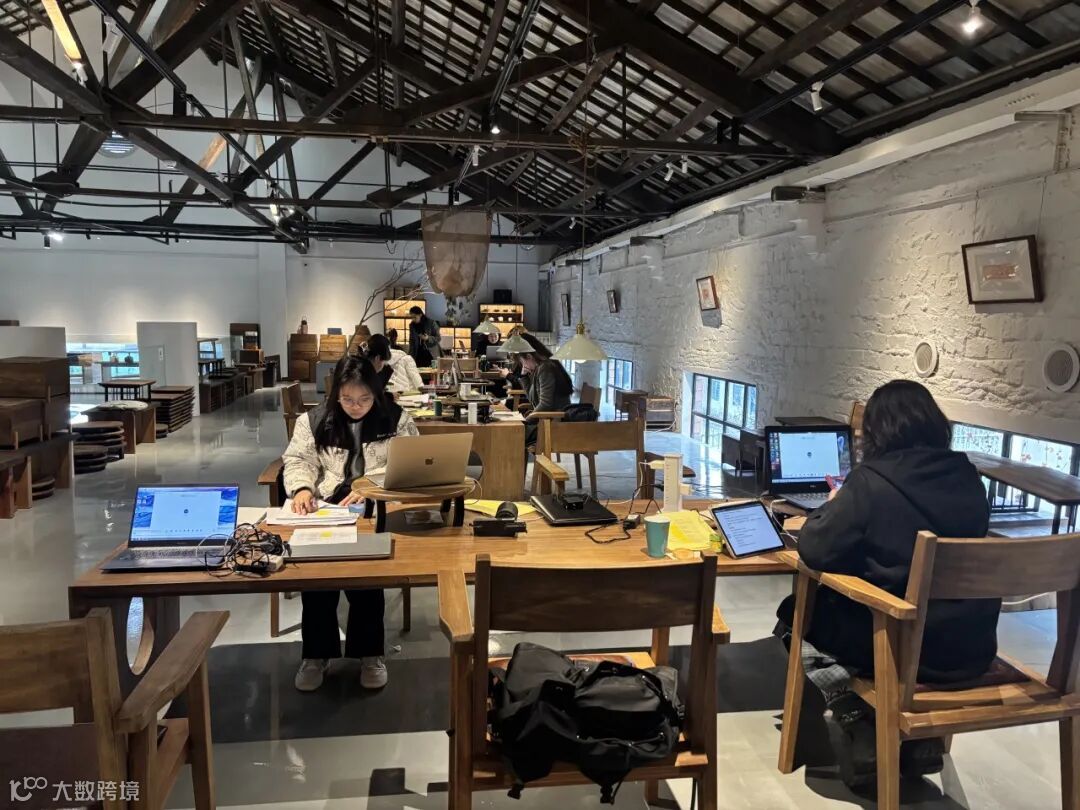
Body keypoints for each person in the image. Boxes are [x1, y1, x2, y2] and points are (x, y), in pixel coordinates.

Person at [775, 379, 996, 790]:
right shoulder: (970, 479)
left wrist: (831, 508)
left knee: (796, 616)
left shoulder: (871, 481)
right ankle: (918, 740)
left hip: (902, 651)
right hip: (969, 647)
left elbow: (817, 549)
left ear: (877, 433)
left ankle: (857, 719)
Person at [282, 355, 419, 692]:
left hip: (374, 508)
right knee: (317, 582)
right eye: (347, 399)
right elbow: (298, 459)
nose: (356, 407)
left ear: (376, 394)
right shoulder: (314, 420)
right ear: (336, 395)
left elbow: (410, 464)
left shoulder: (396, 419)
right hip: (326, 507)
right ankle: (316, 655)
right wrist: (301, 488)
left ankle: (370, 654)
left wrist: (372, 486)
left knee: (367, 581)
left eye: (364, 399)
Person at [511, 333, 573, 444]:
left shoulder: (545, 368)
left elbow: (545, 404)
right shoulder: (541, 367)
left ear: (529, 357)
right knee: (512, 432)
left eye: (522, 362)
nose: (522, 365)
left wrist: (525, 421)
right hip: (547, 421)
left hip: (554, 425)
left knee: (512, 434)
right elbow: (532, 400)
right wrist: (524, 377)